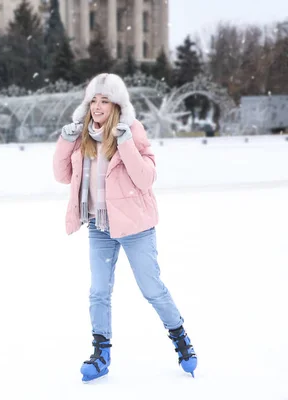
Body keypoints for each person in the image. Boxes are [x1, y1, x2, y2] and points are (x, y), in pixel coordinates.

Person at [52, 73, 197, 383]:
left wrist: (126, 143)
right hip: (99, 227)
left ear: (116, 104)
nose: (98, 106)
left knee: (152, 289)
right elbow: (63, 176)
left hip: (136, 227)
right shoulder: (82, 136)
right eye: (94, 100)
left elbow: (146, 178)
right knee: (99, 292)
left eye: (104, 100)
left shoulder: (131, 130)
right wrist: (65, 141)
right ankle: (100, 353)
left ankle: (180, 337)